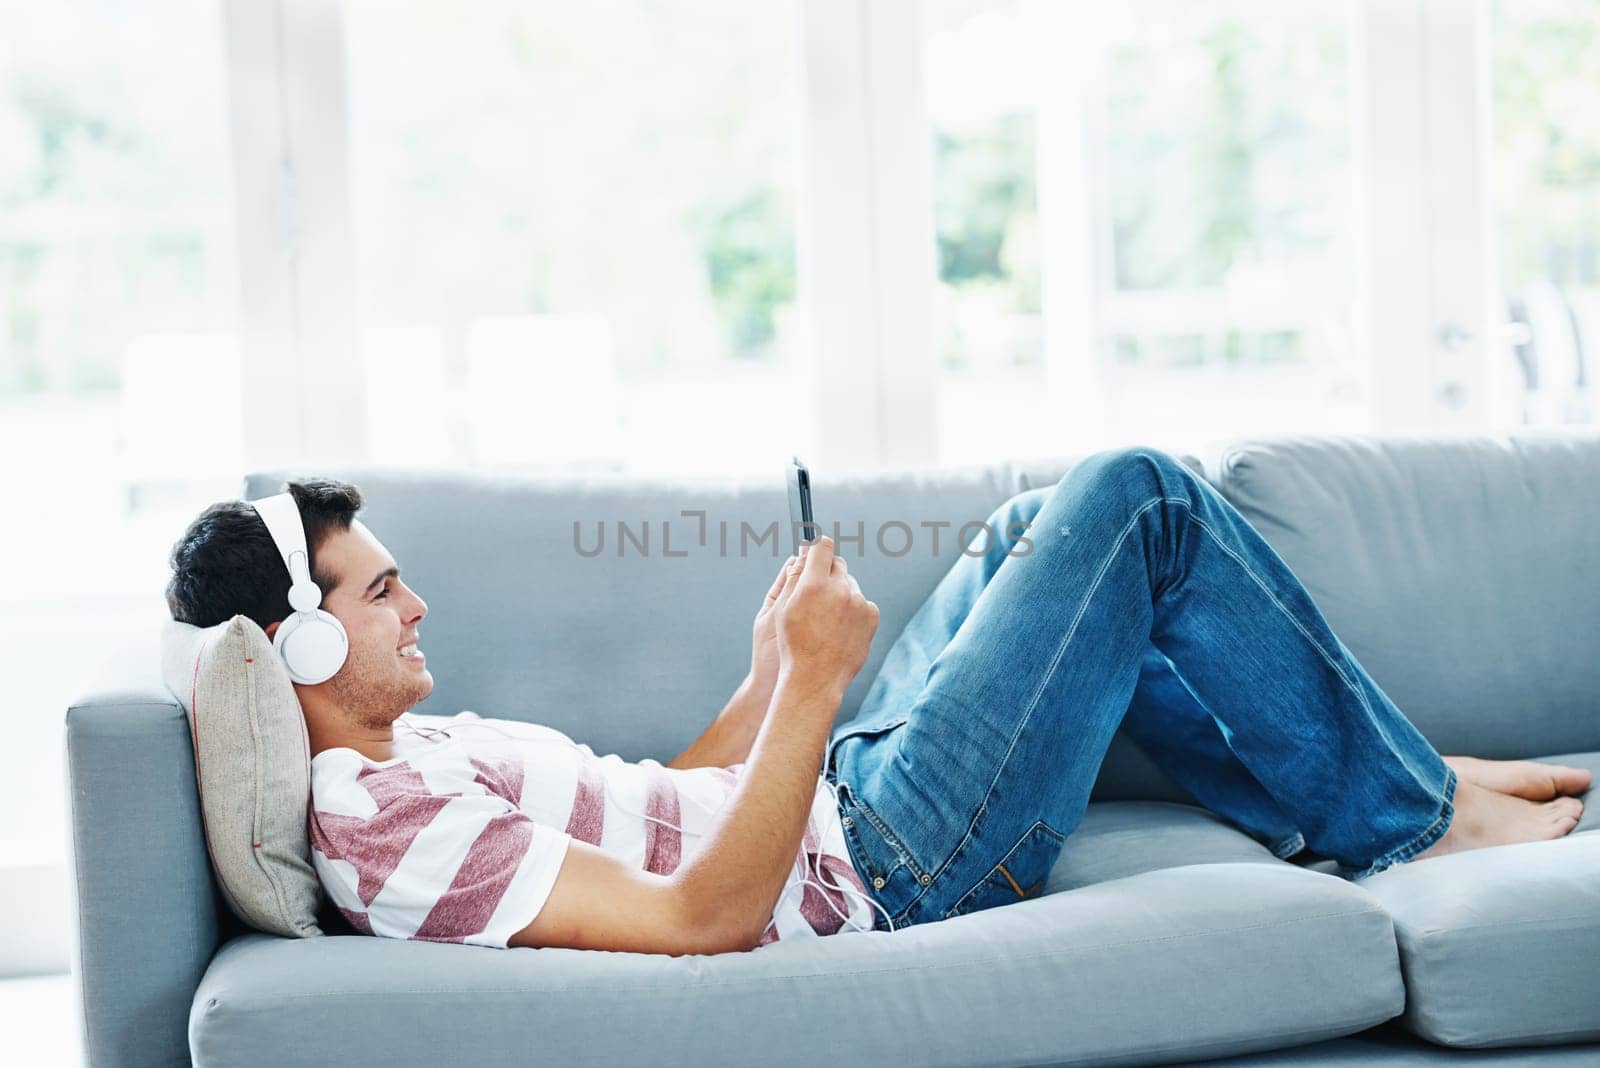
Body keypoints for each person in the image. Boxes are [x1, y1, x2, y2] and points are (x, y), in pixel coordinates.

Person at [164, 450, 1588, 954]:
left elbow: (667, 807)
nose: (417, 608)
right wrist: (821, 694)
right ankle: (1410, 818)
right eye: (377, 594)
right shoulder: (382, 825)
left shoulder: (420, 750)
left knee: (1038, 528)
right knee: (1135, 501)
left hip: (831, 804)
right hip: (886, 869)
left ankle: (1374, 782)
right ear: (293, 652)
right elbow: (699, 920)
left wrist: (775, 670)